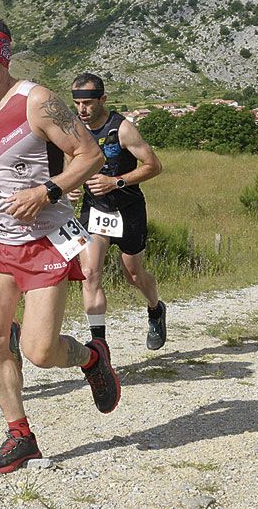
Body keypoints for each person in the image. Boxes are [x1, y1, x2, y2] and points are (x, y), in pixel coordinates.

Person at [0, 14, 119, 474]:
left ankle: (91, 357)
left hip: (46, 241)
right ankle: (20, 434)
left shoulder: (36, 101)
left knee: (39, 351)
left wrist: (47, 191)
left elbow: (90, 155)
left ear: (2, 56)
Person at [68, 72, 167, 349]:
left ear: (102, 99)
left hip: (128, 209)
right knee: (89, 273)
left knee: (133, 274)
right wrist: (70, 185)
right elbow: (70, 164)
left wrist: (116, 181)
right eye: (76, 103)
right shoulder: (74, 128)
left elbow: (154, 166)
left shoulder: (122, 129)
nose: (82, 109)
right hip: (95, 210)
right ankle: (99, 347)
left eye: (87, 103)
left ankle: (155, 308)